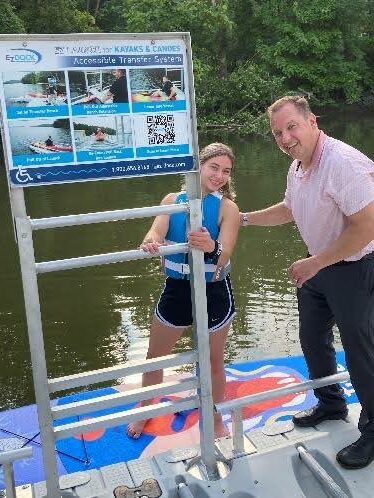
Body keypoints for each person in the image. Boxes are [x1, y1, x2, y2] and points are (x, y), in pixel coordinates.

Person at [240, 95, 374, 469]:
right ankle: (331, 403)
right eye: (277, 132)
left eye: (291, 127)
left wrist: (315, 263)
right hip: (322, 265)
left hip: (357, 263)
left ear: (312, 121)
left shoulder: (342, 163)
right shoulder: (299, 165)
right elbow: (289, 208)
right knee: (312, 337)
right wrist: (243, 219)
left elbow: (367, 226)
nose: (285, 137)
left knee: (361, 348)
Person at [127, 143, 240, 439]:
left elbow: (225, 252)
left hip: (214, 290)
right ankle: (147, 408)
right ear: (198, 166)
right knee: (155, 356)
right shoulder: (171, 199)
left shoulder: (228, 208)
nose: (219, 176)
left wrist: (211, 246)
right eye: (214, 167)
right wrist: (152, 241)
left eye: (225, 171)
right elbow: (155, 230)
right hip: (177, 288)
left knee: (214, 360)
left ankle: (214, 417)